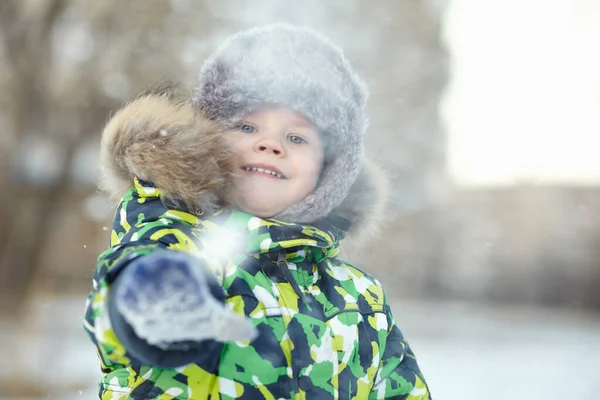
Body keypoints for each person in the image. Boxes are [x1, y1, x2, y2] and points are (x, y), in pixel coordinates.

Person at [83, 23, 431, 399]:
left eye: (296, 137)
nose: (269, 144)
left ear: (330, 169)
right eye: (247, 126)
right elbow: (118, 313)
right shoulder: (171, 239)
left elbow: (398, 387)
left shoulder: (360, 296)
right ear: (207, 138)